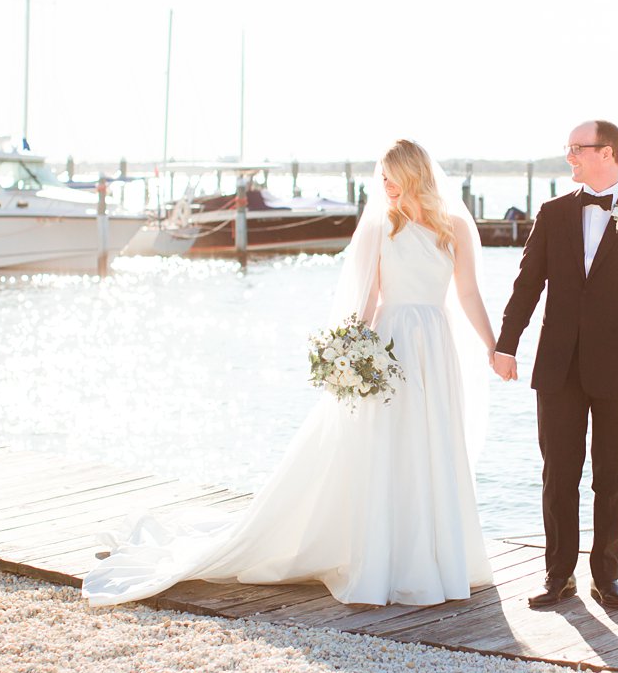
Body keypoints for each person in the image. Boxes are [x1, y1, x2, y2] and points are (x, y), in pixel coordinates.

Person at [82, 139, 496, 608]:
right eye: (381, 180)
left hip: (434, 347)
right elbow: (369, 297)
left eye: (390, 179)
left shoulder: (453, 227)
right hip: (392, 344)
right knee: (389, 445)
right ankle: (388, 558)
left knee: (430, 444)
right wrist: (353, 348)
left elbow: (467, 294)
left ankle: (435, 557)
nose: (385, 188)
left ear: (413, 174)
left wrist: (494, 346)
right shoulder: (383, 226)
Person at [493, 120, 618, 610]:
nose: (569, 157)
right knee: (558, 475)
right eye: (569, 149)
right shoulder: (552, 214)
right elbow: (527, 284)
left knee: (612, 477)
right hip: (558, 368)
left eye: (577, 149)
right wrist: (506, 344)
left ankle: (607, 577)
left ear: (607, 153)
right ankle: (558, 576)